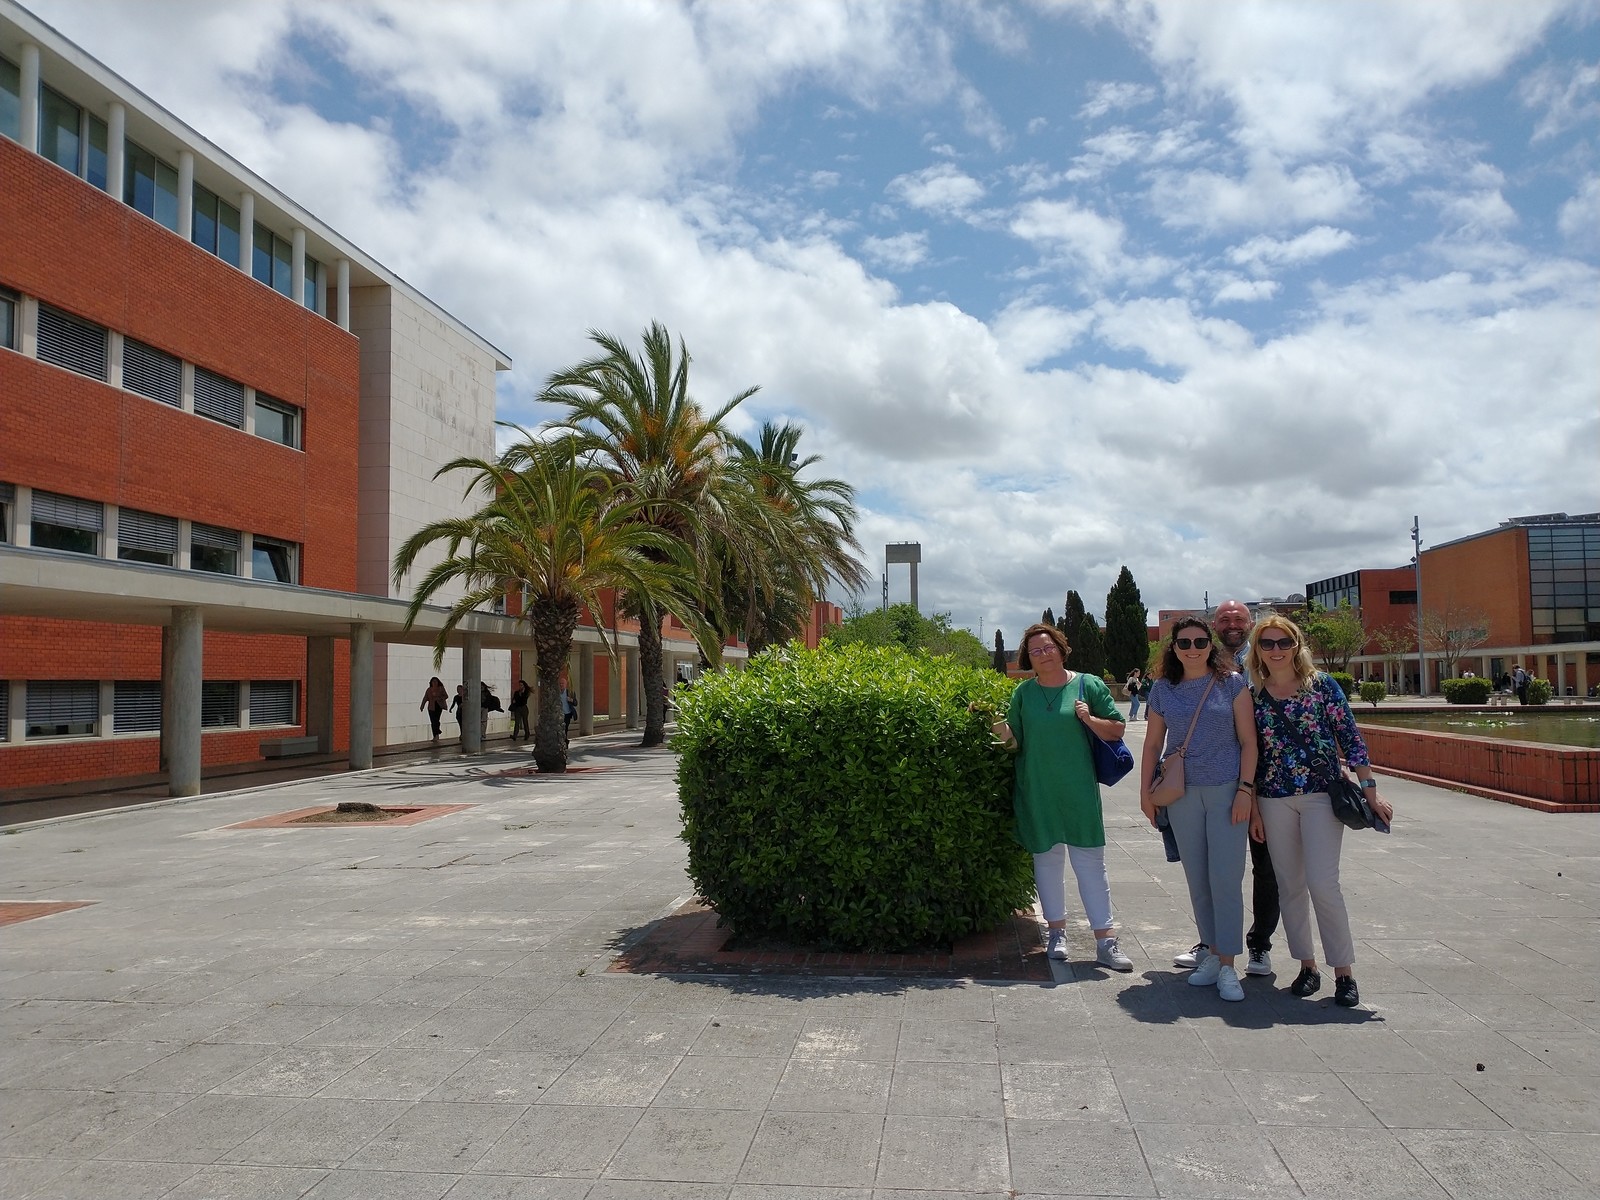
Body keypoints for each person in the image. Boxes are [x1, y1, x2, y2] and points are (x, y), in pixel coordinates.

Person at [1249, 615, 1394, 1009]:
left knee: (1323, 883)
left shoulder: (1322, 686)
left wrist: (1371, 791)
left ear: (1297, 645)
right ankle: (1307, 966)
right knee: (1290, 885)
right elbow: (1249, 754)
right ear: (1257, 649)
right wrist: (1254, 810)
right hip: (1273, 798)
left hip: (1320, 796)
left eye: (1284, 642)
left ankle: (1344, 972)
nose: (1276, 650)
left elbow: (1351, 738)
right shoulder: (1253, 694)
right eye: (1267, 643)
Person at [992, 623, 1133, 971]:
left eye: (1048, 647)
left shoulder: (1088, 684)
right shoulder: (1023, 693)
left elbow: (1117, 729)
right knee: (1047, 861)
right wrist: (997, 726)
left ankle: (1106, 941)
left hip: (1078, 790)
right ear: (1028, 658)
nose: (1044, 654)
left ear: (1061, 648)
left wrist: (1089, 718)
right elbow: (1015, 743)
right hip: (1037, 789)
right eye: (1036, 651)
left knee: (1090, 863)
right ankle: (1056, 933)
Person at [1140, 616, 1258, 1002]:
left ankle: (1228, 965)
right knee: (1199, 880)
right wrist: (1145, 794)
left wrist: (1245, 790)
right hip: (1181, 795)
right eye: (1184, 643)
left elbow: (1249, 742)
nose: (1193, 649)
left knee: (1226, 880)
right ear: (1173, 648)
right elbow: (1152, 745)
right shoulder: (1163, 689)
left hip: (1226, 792)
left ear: (1211, 645)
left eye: (1200, 642)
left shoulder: (1232, 683)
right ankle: (1211, 951)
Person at [1198, 597, 1280, 980]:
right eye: (1224, 619)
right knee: (1215, 868)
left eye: (1239, 619)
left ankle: (1260, 943)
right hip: (1217, 779)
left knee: (1266, 867)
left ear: (1250, 624)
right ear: (1215, 625)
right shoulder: (1202, 660)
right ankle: (1212, 943)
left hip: (1268, 779)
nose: (1232, 624)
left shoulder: (1268, 657)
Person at [419, 676, 448, 742]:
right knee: (433, 721)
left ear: (438, 682)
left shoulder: (441, 688)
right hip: (431, 707)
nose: (434, 683)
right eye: (433, 682)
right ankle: (435, 734)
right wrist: (422, 706)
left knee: (436, 720)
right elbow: (425, 698)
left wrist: (439, 698)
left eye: (436, 681)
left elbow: (446, 696)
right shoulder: (429, 690)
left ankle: (437, 732)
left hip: (438, 706)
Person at [559, 670, 577, 745]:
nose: (561, 685)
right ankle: (563, 741)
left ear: (566, 684)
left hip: (567, 714)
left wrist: (571, 700)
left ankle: (565, 742)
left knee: (565, 728)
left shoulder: (570, 692)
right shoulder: (557, 693)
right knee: (560, 729)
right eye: (560, 683)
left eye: (563, 683)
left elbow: (575, 703)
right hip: (559, 714)